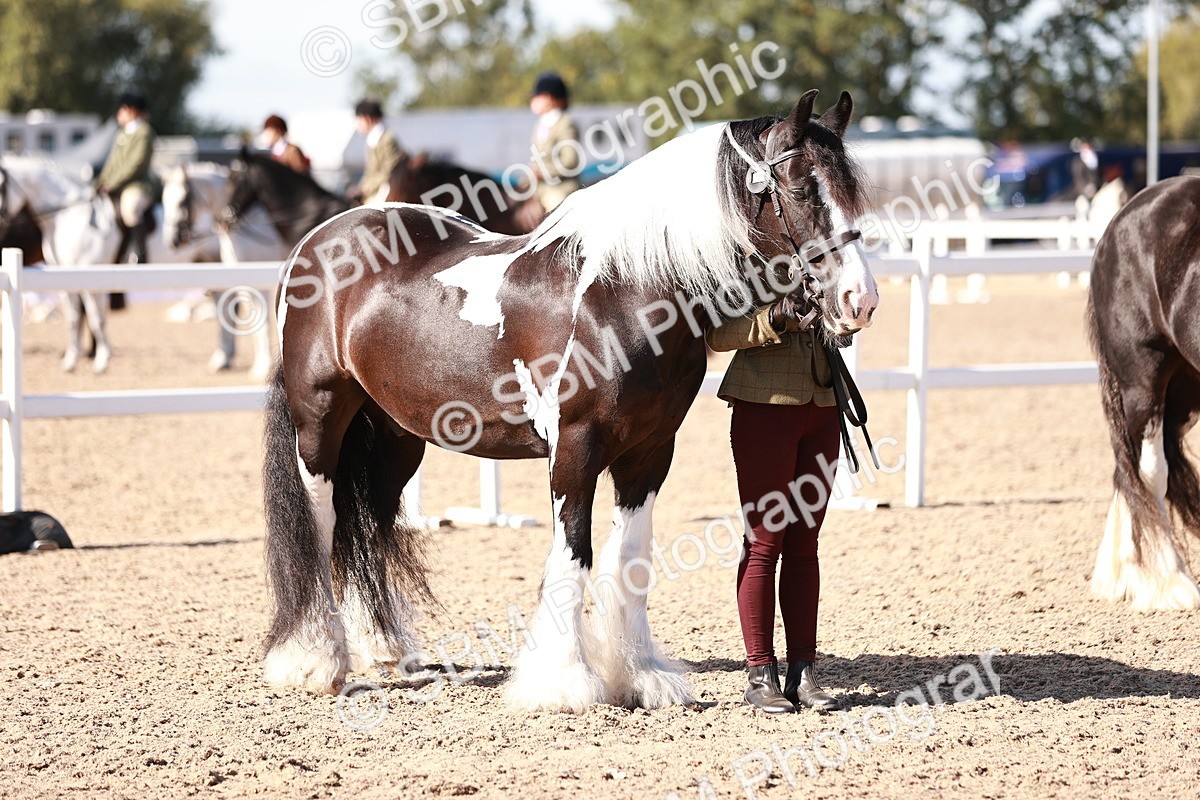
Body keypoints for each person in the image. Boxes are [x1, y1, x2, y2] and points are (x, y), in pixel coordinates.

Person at [705, 291, 844, 715]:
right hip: (764, 407)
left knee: (805, 546)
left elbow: (845, 329)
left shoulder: (822, 259)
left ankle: (804, 672)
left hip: (824, 406)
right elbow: (716, 334)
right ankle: (760, 673)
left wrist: (842, 316)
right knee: (765, 544)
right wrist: (775, 318)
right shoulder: (746, 264)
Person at [94, 92, 156, 264]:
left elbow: (135, 164)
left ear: (130, 110)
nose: (118, 115)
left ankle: (140, 253)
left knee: (130, 210)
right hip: (117, 185)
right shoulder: (122, 134)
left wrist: (112, 184)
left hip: (137, 185)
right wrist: (100, 182)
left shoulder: (145, 132)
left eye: (120, 111)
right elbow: (112, 163)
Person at [529, 71, 581, 213]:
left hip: (560, 188)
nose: (533, 100)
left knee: (553, 208)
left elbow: (570, 161)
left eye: (538, 96)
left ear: (550, 98)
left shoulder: (565, 123)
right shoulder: (539, 125)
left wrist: (543, 172)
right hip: (538, 188)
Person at [350, 99, 404, 204]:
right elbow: (370, 172)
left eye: (359, 121)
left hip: (387, 188)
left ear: (367, 119)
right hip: (375, 188)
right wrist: (360, 187)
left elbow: (389, 172)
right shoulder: (371, 140)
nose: (358, 126)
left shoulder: (388, 139)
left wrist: (367, 188)